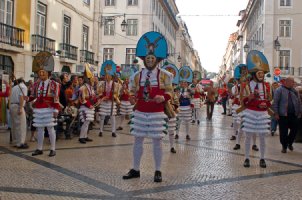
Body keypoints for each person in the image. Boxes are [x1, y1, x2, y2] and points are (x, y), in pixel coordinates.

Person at [123, 31, 173, 182]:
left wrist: (163, 97)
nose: (150, 60)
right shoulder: (136, 76)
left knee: (157, 141)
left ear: (156, 59)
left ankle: (158, 170)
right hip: (140, 112)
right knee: (138, 140)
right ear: (144, 59)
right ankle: (136, 169)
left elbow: (170, 92)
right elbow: (132, 92)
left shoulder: (165, 75)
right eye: (147, 58)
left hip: (157, 112)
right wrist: (132, 99)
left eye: (152, 58)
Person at [241, 51, 272, 168]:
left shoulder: (267, 86)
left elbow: (269, 101)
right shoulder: (247, 86)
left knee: (263, 138)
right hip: (250, 112)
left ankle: (262, 158)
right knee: (248, 136)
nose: (261, 75)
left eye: (262, 73)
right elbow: (243, 101)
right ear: (254, 74)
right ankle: (247, 158)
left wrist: (267, 102)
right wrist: (249, 97)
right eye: (259, 73)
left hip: (262, 114)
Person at [30, 52, 60, 157]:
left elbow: (56, 97)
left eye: (43, 72)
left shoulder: (54, 84)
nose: (41, 74)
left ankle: (53, 149)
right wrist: (27, 98)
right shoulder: (35, 84)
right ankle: (39, 148)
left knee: (50, 128)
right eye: (40, 72)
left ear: (48, 73)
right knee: (39, 129)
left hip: (49, 108)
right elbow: (33, 96)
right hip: (38, 109)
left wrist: (56, 110)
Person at [272, 77, 302, 153]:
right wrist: (276, 113)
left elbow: (299, 102)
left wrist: (300, 112)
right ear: (287, 82)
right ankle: (284, 146)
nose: (294, 83)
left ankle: (290, 143)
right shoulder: (279, 90)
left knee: (295, 130)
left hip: (294, 114)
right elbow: (275, 103)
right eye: (292, 82)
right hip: (283, 115)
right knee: (283, 132)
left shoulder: (295, 91)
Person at [97, 63, 120, 138]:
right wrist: (103, 97)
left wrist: (110, 97)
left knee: (113, 117)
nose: (107, 77)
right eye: (106, 75)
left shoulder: (115, 84)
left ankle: (113, 131)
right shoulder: (101, 83)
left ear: (111, 76)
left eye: (109, 75)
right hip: (104, 102)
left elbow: (116, 93)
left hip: (111, 102)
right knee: (102, 117)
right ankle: (101, 130)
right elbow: (99, 92)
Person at [78, 64, 98, 144]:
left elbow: (92, 97)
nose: (93, 80)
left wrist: (99, 98)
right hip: (85, 107)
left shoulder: (91, 88)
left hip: (90, 107)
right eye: (92, 79)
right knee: (85, 122)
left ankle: (85, 136)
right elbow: (82, 99)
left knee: (88, 123)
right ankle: (81, 137)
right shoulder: (82, 88)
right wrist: (89, 105)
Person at [10, 78, 28, 149]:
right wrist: (21, 108)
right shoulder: (23, 87)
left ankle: (15, 141)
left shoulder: (14, 87)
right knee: (21, 125)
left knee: (14, 125)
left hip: (12, 105)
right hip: (18, 106)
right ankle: (20, 143)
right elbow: (21, 97)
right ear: (23, 82)